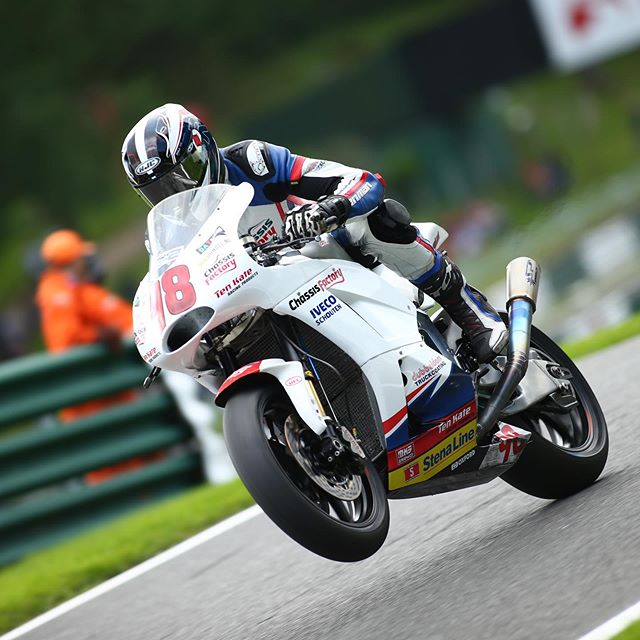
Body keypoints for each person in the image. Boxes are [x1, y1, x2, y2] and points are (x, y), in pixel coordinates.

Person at [121, 104, 506, 363]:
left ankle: (471, 313)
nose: (179, 191)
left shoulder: (251, 161)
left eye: (184, 172)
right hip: (257, 298)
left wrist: (328, 209)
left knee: (375, 220)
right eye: (160, 188)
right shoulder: (170, 229)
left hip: (318, 256)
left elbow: (360, 182)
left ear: (203, 148)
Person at [36, 229, 135, 421]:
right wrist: (98, 335)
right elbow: (67, 340)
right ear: (72, 261)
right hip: (87, 397)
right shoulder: (56, 292)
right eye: (81, 258)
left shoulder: (72, 288)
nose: (86, 263)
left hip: (102, 387)